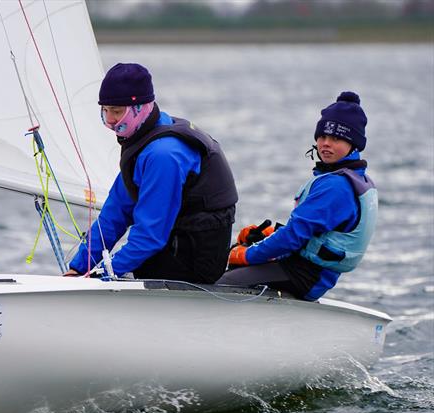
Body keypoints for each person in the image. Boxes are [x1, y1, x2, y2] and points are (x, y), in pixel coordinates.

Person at [64, 63, 238, 282]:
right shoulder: (144, 138)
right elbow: (115, 213)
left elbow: (150, 235)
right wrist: (79, 268)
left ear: (141, 108)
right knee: (132, 259)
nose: (109, 120)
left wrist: (103, 274)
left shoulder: (163, 154)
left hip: (195, 256)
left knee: (142, 262)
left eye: (116, 112)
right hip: (173, 239)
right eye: (105, 110)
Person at [218, 91, 377, 301]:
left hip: (305, 275)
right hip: (306, 270)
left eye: (337, 138)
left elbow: (294, 237)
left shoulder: (336, 186)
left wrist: (247, 255)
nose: (326, 143)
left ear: (353, 144)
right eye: (322, 136)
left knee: (220, 282)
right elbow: (310, 232)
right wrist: (271, 233)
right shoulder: (353, 179)